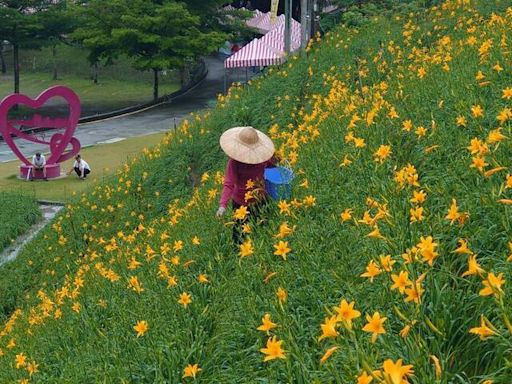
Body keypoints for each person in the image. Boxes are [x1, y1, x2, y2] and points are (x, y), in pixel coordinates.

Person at [216, 126, 277, 244]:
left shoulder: (262, 158)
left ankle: (259, 250)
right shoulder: (235, 163)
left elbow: (272, 164)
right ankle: (241, 253)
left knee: (263, 228)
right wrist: (222, 205)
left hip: (258, 199)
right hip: (243, 203)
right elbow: (229, 184)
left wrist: (276, 159)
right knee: (240, 234)